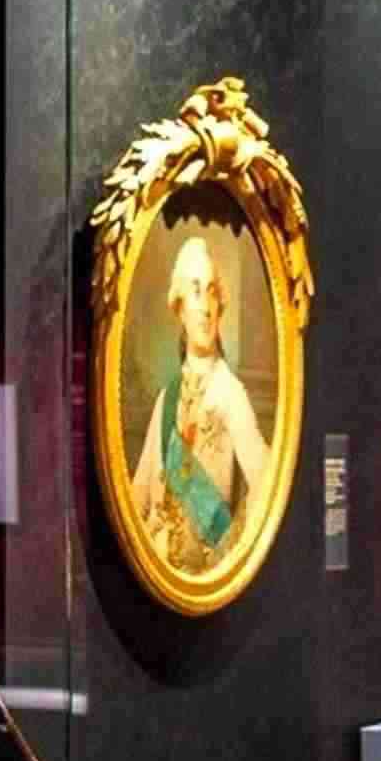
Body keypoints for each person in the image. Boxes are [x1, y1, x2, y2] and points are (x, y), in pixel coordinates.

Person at [129, 235, 270, 571]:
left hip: (204, 582)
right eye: (195, 291)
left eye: (212, 291)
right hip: (154, 576)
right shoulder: (167, 399)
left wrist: (230, 551)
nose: (206, 307)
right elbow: (138, 497)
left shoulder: (230, 393)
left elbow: (268, 484)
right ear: (179, 308)